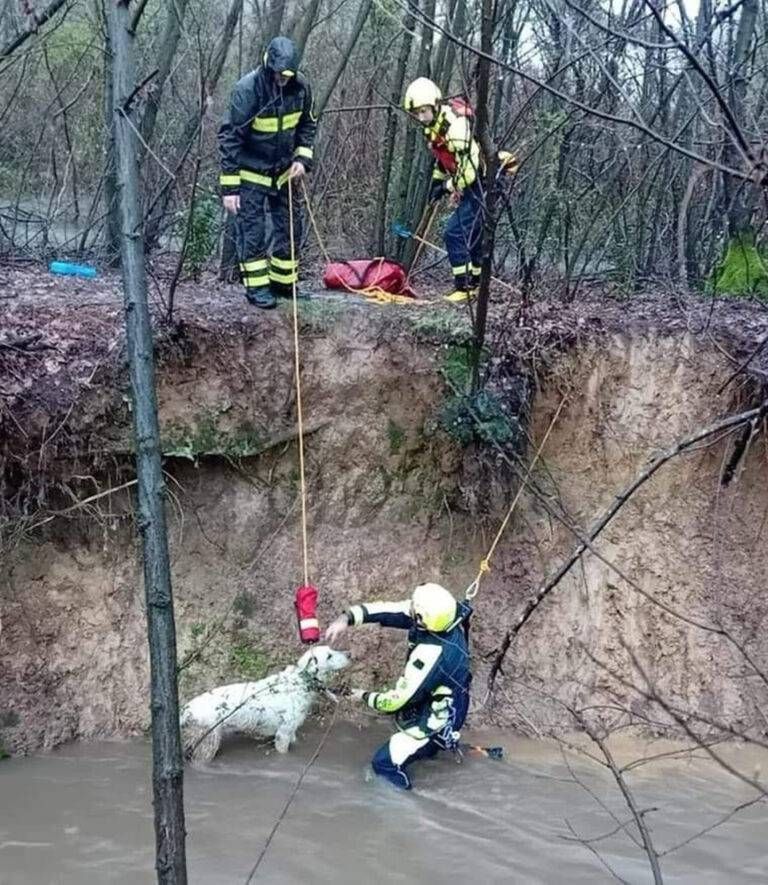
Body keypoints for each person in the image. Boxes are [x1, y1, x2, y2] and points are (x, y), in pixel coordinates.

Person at [325, 582, 472, 790]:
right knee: (406, 724)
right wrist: (345, 618)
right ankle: (429, 747)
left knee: (383, 764)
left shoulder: (431, 654)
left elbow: (393, 701)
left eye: (414, 608)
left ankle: (406, 804)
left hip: (441, 716)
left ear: (422, 620)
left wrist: (362, 696)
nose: (409, 608)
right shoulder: (444, 618)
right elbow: (387, 611)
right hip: (446, 693)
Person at [218, 36, 317, 309]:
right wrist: (230, 189)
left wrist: (302, 158)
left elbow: (308, 126)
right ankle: (257, 288)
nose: (282, 79)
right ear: (268, 66)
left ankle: (283, 283)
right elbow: (229, 139)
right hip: (251, 171)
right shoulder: (248, 90)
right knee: (254, 231)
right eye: (278, 74)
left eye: (288, 74)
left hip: (285, 171)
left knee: (290, 228)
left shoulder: (301, 88)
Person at [403, 77, 485, 304]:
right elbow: (443, 159)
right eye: (416, 113)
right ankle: (474, 286)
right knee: (473, 236)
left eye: (423, 111)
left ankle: (464, 288)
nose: (420, 118)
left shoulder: (456, 126)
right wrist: (435, 183)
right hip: (470, 183)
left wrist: (447, 188)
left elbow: (468, 172)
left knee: (454, 233)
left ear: (435, 105)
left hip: (480, 184)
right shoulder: (433, 127)